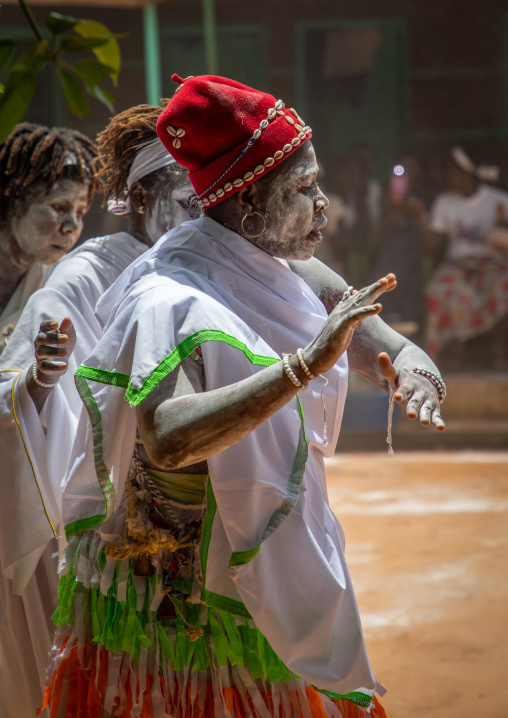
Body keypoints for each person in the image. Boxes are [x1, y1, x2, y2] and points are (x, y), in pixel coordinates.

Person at [41, 75, 446, 718]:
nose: (325, 204)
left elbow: (376, 337)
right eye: (305, 189)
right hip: (181, 605)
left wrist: (415, 368)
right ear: (249, 203)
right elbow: (168, 436)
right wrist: (304, 367)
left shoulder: (284, 267)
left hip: (247, 574)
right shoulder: (170, 298)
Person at [0, 103, 193, 718]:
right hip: (92, 516)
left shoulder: (180, 263)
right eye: (56, 209)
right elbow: (23, 381)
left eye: (78, 213)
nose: (67, 225)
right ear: (138, 197)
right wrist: (35, 382)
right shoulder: (79, 278)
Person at [0, 122, 98, 353]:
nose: (72, 227)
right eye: (59, 206)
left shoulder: (58, 281)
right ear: (16, 199)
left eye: (80, 212)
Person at [423, 146, 508, 368]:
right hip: (458, 267)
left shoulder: (499, 201)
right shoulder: (445, 201)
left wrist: (501, 231)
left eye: (452, 171)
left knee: (504, 284)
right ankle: (444, 352)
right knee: (439, 287)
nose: (447, 176)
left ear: (466, 174)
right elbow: (431, 247)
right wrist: (422, 219)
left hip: (492, 267)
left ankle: (499, 350)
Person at [366, 152, 428, 332]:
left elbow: (428, 240)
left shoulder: (426, 195)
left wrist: (418, 215)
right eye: (402, 167)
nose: (406, 172)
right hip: (391, 252)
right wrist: (396, 202)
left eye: (411, 167)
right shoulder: (388, 195)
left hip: (414, 252)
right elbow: (387, 229)